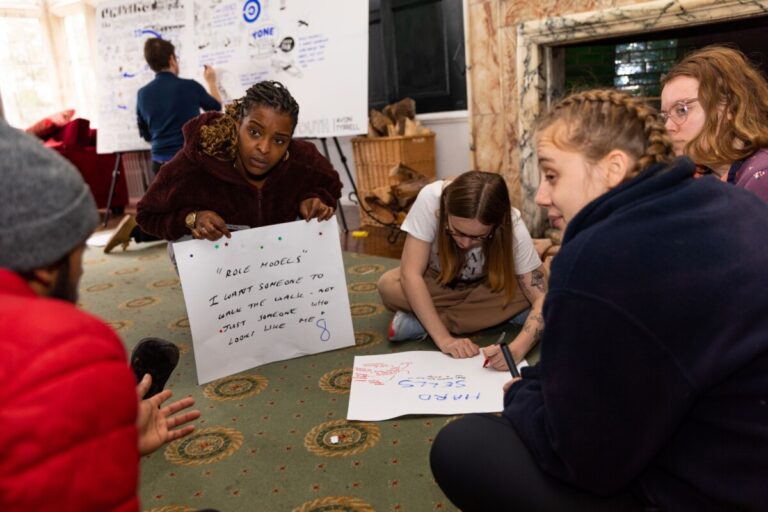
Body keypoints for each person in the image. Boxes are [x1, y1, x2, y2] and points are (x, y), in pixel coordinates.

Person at [429, 89, 768, 511]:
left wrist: (519, 396)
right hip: (738, 454)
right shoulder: (732, 201)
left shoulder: (601, 254)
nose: (541, 197)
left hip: (707, 493)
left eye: (552, 176)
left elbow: (586, 461)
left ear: (612, 168)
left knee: (464, 446)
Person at [0, 121, 202, 510]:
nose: (80, 271)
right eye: (78, 253)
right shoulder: (72, 344)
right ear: (46, 263)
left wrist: (113, 443)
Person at [135, 80, 341, 244]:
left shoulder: (302, 159)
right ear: (236, 123)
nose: (264, 148)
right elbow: (147, 215)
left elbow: (331, 185)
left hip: (275, 258)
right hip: (221, 265)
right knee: (186, 238)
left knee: (323, 223)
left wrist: (315, 198)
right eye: (254, 132)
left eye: (279, 140)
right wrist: (191, 219)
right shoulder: (196, 162)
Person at [377, 170, 546, 363]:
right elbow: (411, 274)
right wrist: (444, 339)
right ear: (445, 211)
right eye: (456, 231)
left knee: (540, 288)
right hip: (440, 285)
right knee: (389, 286)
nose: (465, 243)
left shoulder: (513, 225)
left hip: (488, 288)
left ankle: (423, 321)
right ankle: (493, 317)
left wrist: (516, 350)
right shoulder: (431, 199)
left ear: (496, 225)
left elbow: (542, 297)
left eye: (477, 237)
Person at [105, 37, 222, 253]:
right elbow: (216, 111)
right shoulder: (190, 86)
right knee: (197, 216)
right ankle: (135, 231)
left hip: (159, 163)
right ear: (172, 59)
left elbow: (145, 133)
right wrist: (212, 82)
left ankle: (135, 228)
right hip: (188, 163)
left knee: (173, 214)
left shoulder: (142, 94)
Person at [661, 44, 768, 202]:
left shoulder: (762, 177)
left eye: (681, 110)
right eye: (665, 116)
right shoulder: (703, 180)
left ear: (731, 107)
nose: (667, 127)